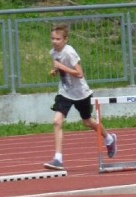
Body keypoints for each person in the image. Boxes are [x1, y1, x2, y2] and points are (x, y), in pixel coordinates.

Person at [43, 23, 117, 171]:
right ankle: (58, 158)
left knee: (88, 122)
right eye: (52, 38)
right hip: (65, 93)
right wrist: (55, 71)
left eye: (58, 39)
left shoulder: (70, 52)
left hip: (81, 93)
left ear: (65, 40)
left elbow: (79, 73)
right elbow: (59, 67)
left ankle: (109, 138)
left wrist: (62, 67)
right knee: (57, 121)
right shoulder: (53, 53)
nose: (54, 41)